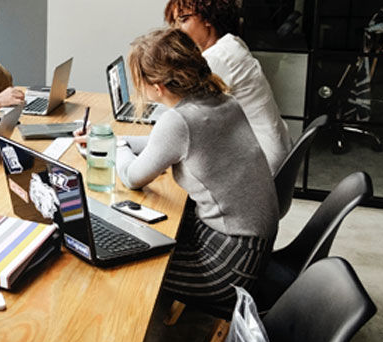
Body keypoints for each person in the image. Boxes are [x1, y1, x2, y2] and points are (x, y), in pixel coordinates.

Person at [117, 28, 278, 315]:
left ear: (158, 87)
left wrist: (113, 145)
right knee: (150, 228)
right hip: (254, 245)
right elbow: (166, 145)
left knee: (129, 261)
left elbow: (132, 177)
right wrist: (123, 142)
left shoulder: (179, 122)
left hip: (231, 264)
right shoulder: (224, 102)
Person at [166, 0, 291, 174]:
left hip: (262, 164)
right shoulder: (232, 44)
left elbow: (183, 115)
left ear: (208, 18)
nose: (177, 30)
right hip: (271, 151)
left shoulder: (218, 57)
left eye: (183, 20)